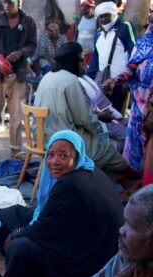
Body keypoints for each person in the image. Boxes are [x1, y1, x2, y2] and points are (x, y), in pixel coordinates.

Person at [0, 131, 124, 277]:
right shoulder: (89, 168)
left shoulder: (70, 184)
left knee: (18, 248)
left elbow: (42, 228)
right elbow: (48, 215)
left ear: (77, 156)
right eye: (51, 155)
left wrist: (16, 234)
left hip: (84, 259)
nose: (54, 162)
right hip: (76, 232)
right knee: (8, 213)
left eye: (63, 156)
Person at [35, 43, 134, 181]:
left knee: (99, 142)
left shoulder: (47, 77)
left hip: (44, 138)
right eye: (82, 60)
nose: (85, 65)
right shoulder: (71, 80)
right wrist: (99, 121)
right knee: (104, 148)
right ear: (72, 62)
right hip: (64, 139)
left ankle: (121, 183)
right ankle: (132, 178)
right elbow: (84, 119)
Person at [0, 0, 37, 162]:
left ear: (18, 3)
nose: (7, 6)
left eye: (10, 3)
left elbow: (33, 45)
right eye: (5, 2)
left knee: (17, 113)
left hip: (18, 73)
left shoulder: (28, 22)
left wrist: (21, 53)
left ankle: (15, 148)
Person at [102, 11, 153, 177]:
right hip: (140, 108)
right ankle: (139, 182)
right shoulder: (144, 44)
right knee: (137, 146)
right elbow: (131, 68)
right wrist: (114, 80)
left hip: (150, 106)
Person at [87, 1, 136, 112]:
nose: (104, 20)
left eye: (107, 16)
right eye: (101, 17)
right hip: (102, 81)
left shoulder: (125, 27)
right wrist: (89, 78)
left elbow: (133, 52)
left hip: (119, 81)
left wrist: (128, 80)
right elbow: (95, 58)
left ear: (114, 14)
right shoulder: (98, 34)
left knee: (117, 113)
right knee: (101, 112)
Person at [74, 0, 97, 65]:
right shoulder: (79, 19)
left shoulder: (96, 21)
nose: (83, 9)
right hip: (79, 50)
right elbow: (76, 34)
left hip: (91, 52)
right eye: (82, 7)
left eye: (86, 8)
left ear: (92, 8)